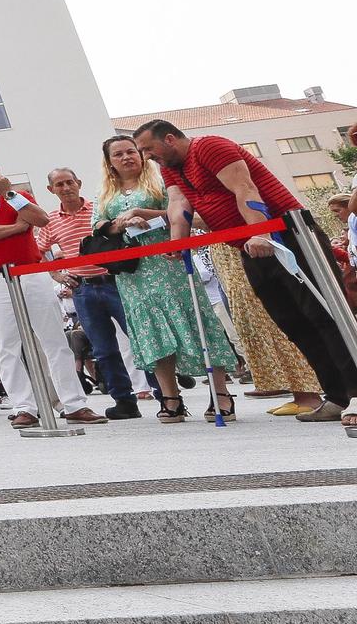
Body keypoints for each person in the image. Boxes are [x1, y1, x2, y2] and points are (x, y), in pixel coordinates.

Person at [134, 119, 357, 430]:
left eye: (148, 149)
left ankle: (356, 390)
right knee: (291, 321)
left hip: (286, 235)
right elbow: (178, 204)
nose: (147, 156)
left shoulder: (209, 146)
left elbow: (244, 186)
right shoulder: (170, 166)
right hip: (248, 246)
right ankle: (337, 395)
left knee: (322, 313)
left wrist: (261, 233)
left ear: (170, 139)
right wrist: (178, 243)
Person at [0, 155, 106, 427]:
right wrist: (16, 228)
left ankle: (73, 404)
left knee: (54, 339)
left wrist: (9, 194)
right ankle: (25, 407)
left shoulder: (17, 195)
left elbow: (41, 219)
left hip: (30, 271)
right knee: (6, 343)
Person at [97, 136, 239, 424]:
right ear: (110, 162)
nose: (127, 157)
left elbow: (189, 213)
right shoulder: (106, 195)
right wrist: (118, 223)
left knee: (196, 323)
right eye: (119, 154)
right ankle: (170, 397)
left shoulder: (162, 181)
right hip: (134, 274)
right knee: (154, 332)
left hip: (170, 266)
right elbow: (97, 226)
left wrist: (142, 214)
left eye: (131, 151)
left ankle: (221, 393)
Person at [35, 168, 142, 421]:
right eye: (59, 184)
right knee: (103, 349)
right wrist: (58, 275)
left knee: (138, 336)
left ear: (79, 183)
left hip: (114, 281)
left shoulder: (99, 209)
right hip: (82, 289)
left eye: (69, 182)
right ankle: (124, 401)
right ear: (51, 190)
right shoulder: (50, 220)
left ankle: (163, 392)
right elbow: (37, 250)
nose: (65, 188)